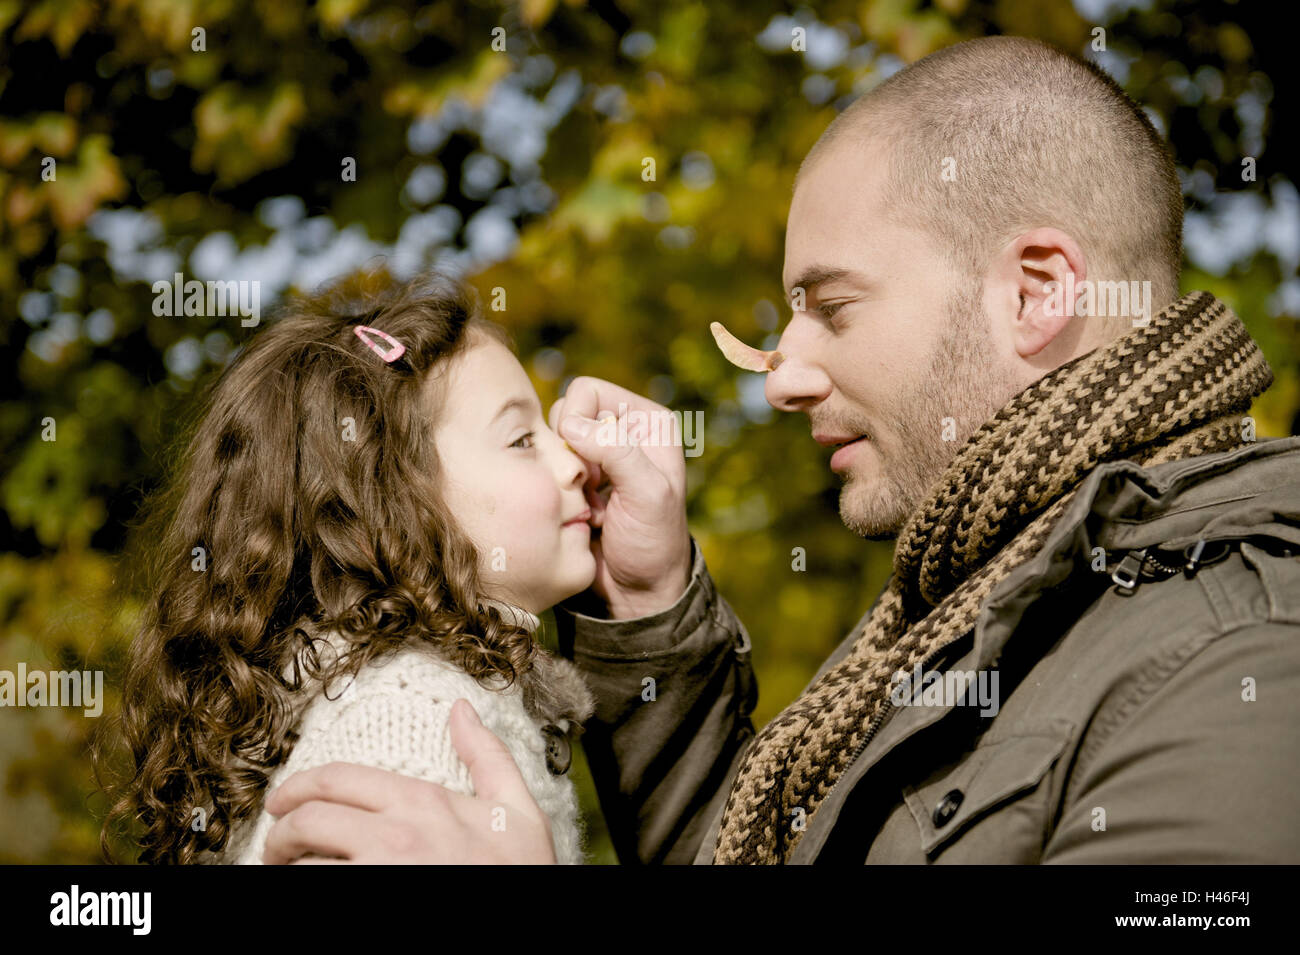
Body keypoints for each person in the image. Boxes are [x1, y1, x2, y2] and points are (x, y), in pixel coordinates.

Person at [255, 35, 1300, 864]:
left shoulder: (1237, 648)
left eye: (832, 308)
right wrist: (651, 610)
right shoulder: (979, 599)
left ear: (1035, 291)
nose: (783, 373)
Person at [96, 270, 601, 864]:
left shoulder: (411, 692)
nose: (575, 461)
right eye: (521, 439)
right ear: (397, 500)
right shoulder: (409, 716)